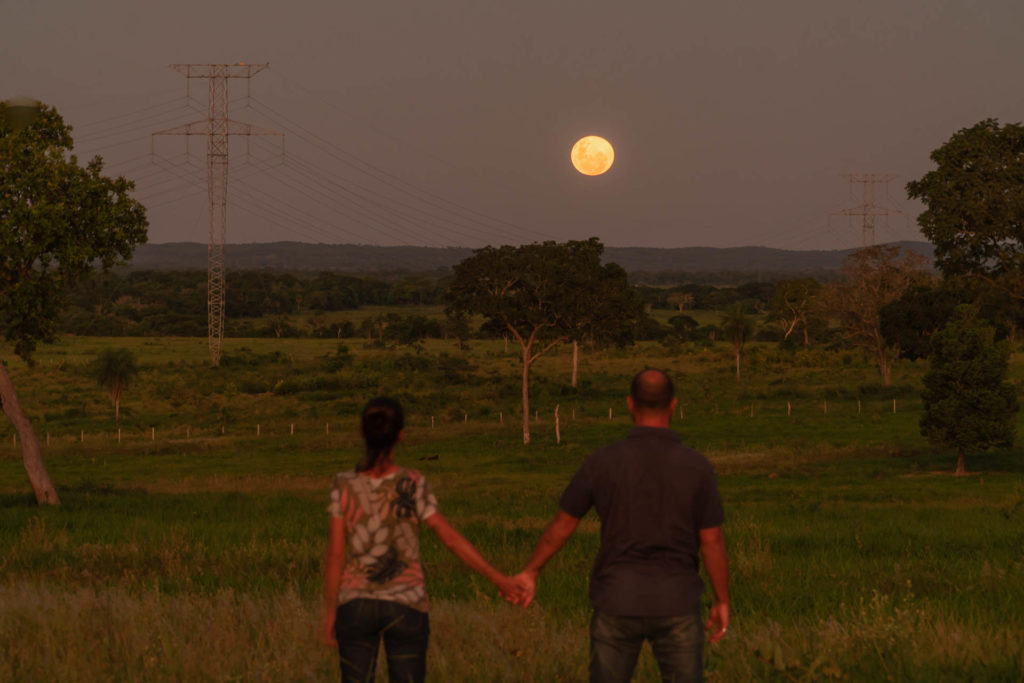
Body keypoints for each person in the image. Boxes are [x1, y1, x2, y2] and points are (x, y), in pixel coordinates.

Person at [513, 368, 729, 683]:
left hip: (616, 598)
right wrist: (721, 599)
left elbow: (563, 524)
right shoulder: (697, 466)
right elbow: (712, 541)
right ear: (672, 405)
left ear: (630, 405)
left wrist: (531, 570)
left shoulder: (602, 462)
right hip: (677, 599)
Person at [320, 396, 523, 682]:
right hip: (407, 603)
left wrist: (331, 611)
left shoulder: (343, 484)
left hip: (355, 603)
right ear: (400, 436)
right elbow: (449, 537)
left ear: (362, 433)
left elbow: (336, 554)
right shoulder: (413, 482)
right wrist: (497, 578)